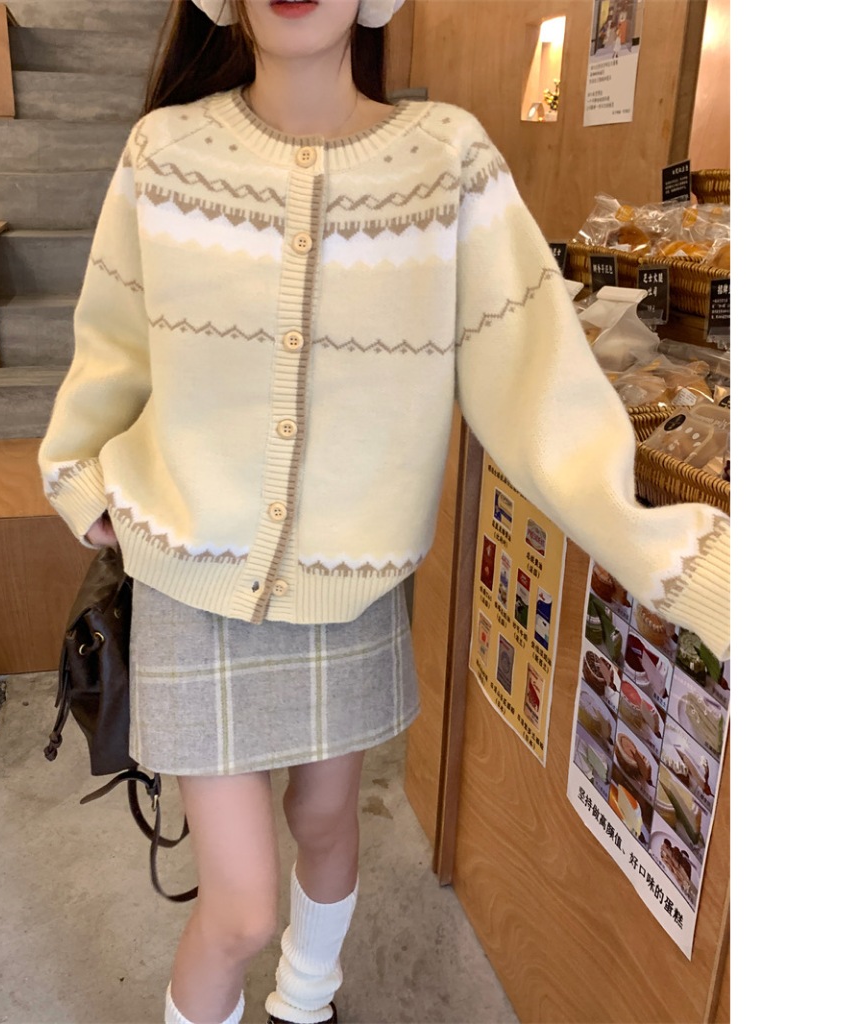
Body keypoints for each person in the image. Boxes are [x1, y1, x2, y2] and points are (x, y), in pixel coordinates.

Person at [37, 2, 731, 1022]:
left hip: (350, 586)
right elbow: (114, 341)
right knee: (239, 909)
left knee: (326, 821)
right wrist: (78, 473)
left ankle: (307, 998)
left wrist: (679, 561)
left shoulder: (446, 160)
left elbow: (535, 385)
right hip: (188, 580)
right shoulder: (165, 152)